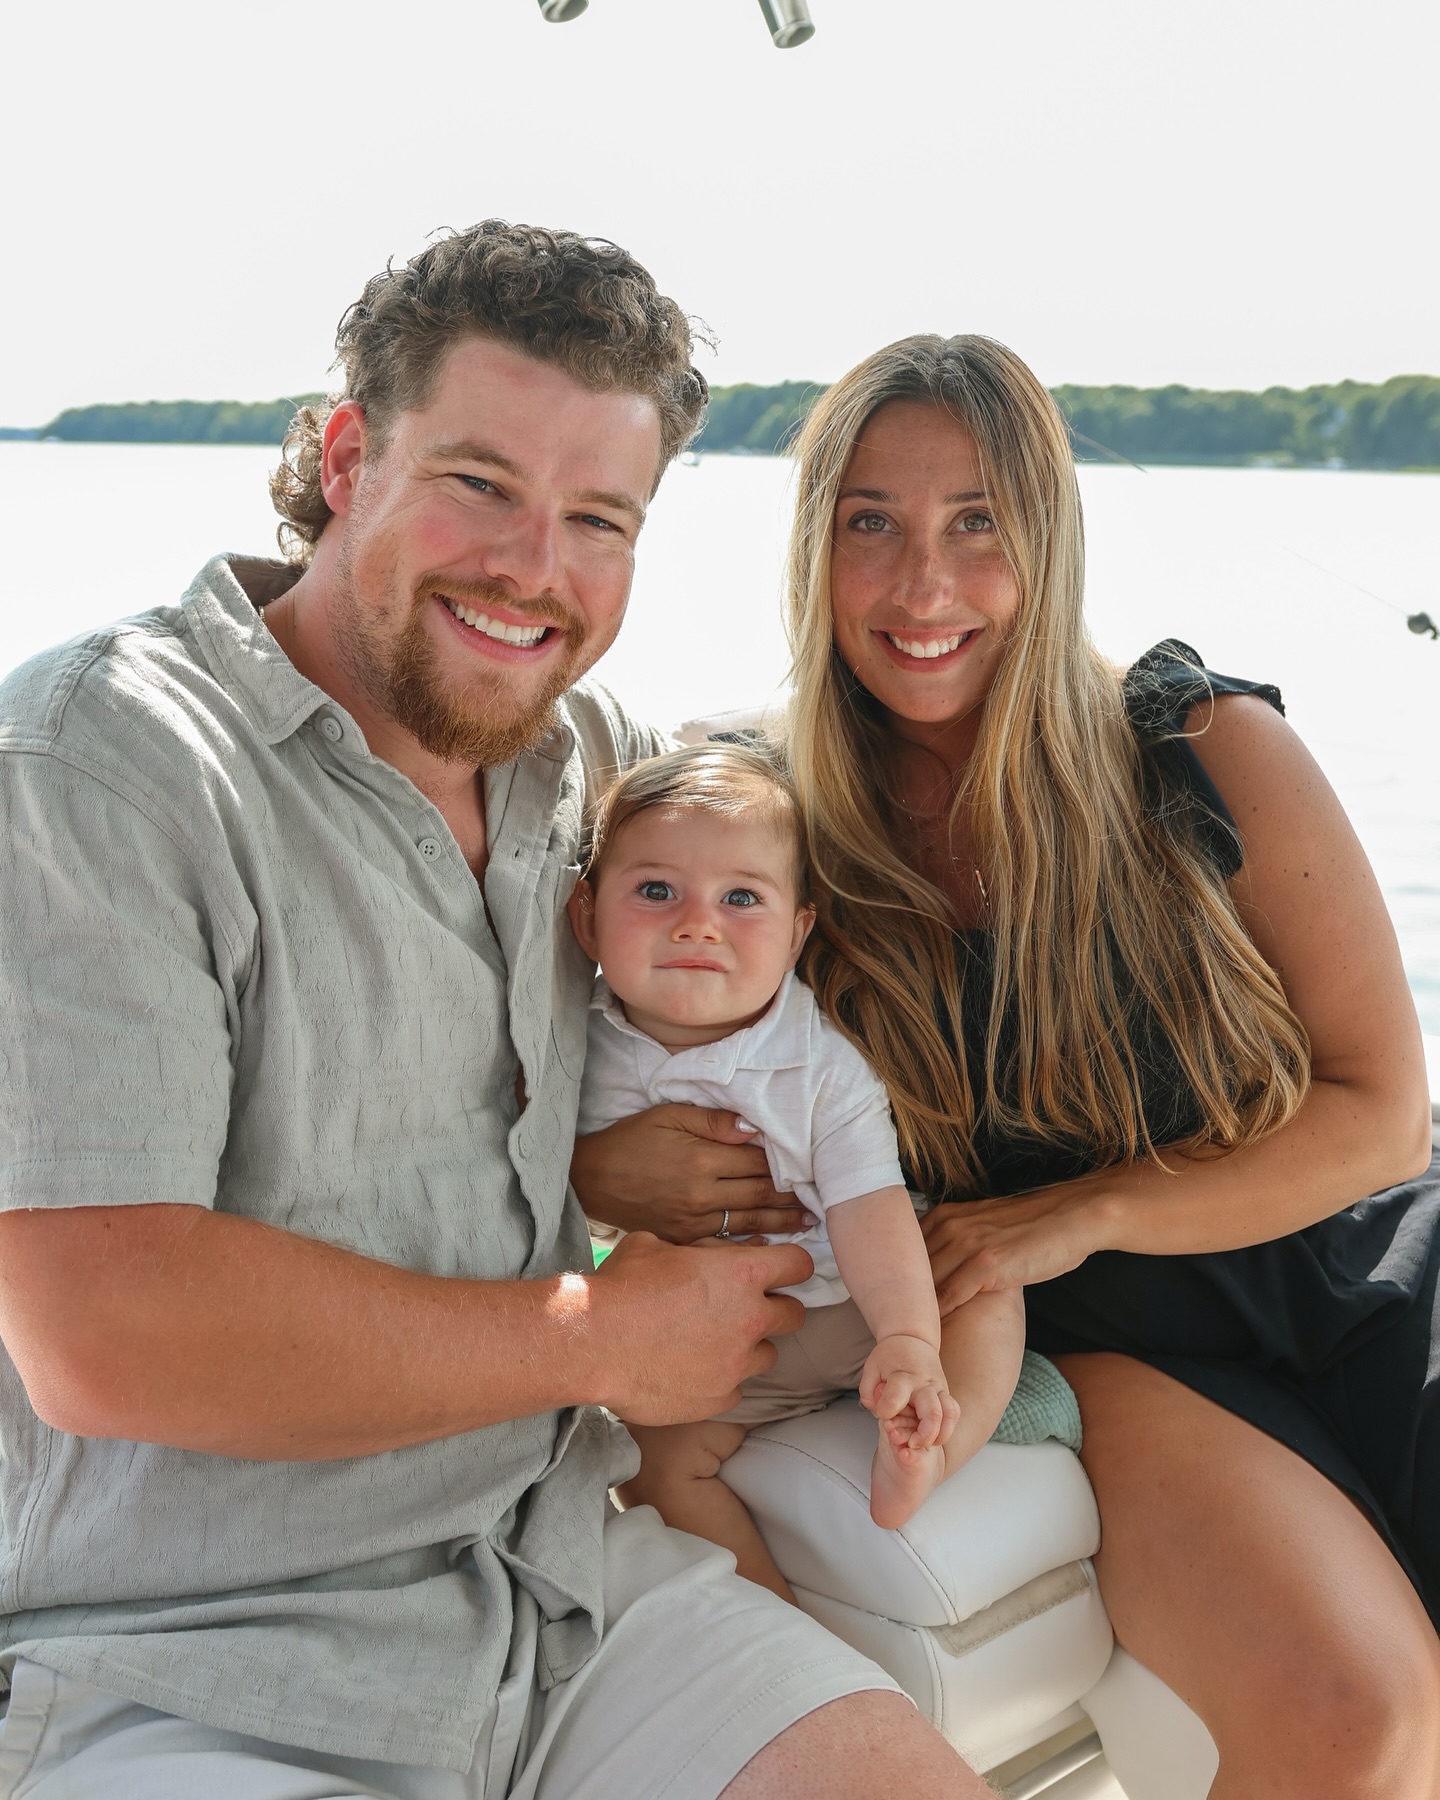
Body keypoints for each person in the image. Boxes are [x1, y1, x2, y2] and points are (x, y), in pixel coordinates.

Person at [0, 227, 993, 1800]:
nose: (537, 568)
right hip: (191, 1662)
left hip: (560, 1593)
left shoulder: (591, 757)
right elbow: (102, 1332)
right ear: (344, 460)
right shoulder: (101, 768)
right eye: (480, 484)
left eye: (599, 516)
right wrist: (597, 1338)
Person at [571, 333, 1440, 1798]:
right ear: (814, 551)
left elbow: (1381, 1115)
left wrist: (1080, 1211)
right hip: (1116, 1348)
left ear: (1048, 536)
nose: (926, 586)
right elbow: (590, 1065)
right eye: (874, 526)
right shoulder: (763, 833)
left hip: (1359, 1268)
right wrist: (605, 1164)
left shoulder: (1199, 748)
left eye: (979, 523)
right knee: (1354, 1714)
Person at [568, 742, 1025, 1595]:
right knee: (644, 1455)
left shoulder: (818, 1061)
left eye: (742, 898)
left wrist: (906, 1338)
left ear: (797, 931)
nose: (696, 922)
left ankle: (926, 1439)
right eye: (656, 891)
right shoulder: (569, 1044)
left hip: (849, 1304)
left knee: (987, 1286)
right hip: (717, 1339)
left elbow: (868, 1203)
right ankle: (766, 1607)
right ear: (587, 918)